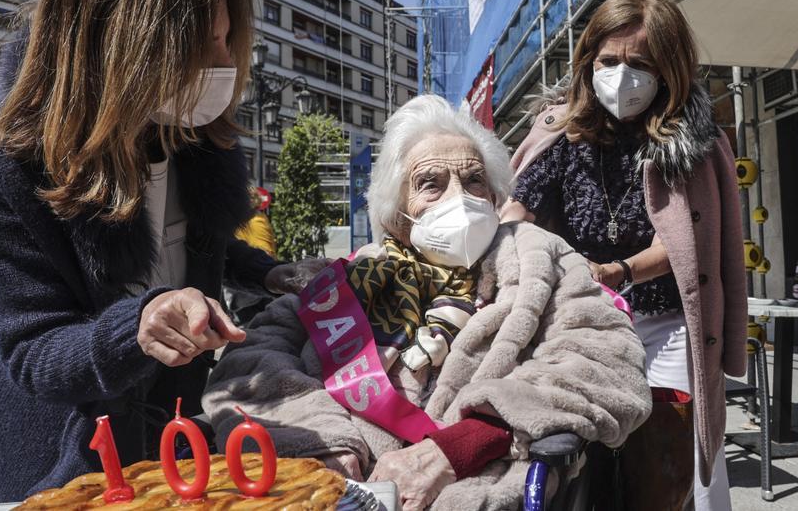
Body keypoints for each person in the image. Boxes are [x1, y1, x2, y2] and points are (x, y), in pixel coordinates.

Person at [0, 0, 297, 502]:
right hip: (47, 433)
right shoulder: (1, 154)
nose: (223, 64)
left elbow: (184, 240)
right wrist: (140, 324)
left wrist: (267, 274)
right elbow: (35, 349)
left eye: (227, 40)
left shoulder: (187, 122)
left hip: (166, 413)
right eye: (203, 46)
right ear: (125, 44)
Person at [204, 95, 652, 511]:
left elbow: (605, 361)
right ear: (396, 214)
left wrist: (465, 444)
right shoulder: (353, 276)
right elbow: (247, 364)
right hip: (343, 488)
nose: (460, 196)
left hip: (479, 483)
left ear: (496, 197)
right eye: (430, 184)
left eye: (474, 179)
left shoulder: (540, 254)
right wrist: (324, 445)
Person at [502, 0, 746, 509]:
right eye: (608, 61)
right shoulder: (562, 134)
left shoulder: (691, 142)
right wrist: (511, 246)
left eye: (639, 63)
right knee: (583, 454)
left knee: (680, 457)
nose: (621, 75)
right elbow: (518, 209)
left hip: (670, 323)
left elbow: (684, 247)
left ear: (667, 69)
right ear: (588, 62)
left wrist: (620, 271)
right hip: (585, 325)